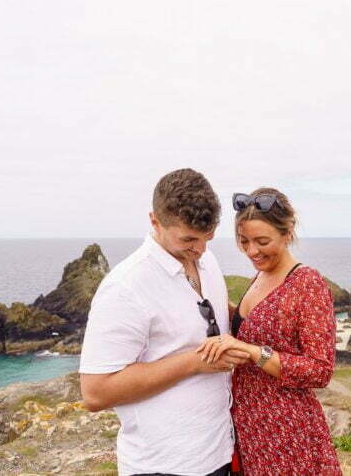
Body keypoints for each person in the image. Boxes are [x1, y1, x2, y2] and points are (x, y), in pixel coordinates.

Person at [79, 168, 249, 476]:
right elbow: (95, 392)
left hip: (219, 452)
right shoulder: (125, 287)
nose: (200, 249)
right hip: (163, 466)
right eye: (189, 239)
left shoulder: (205, 260)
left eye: (207, 238)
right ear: (155, 221)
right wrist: (196, 362)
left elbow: (210, 312)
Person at [197, 187, 342, 476]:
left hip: (289, 433)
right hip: (253, 429)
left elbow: (320, 370)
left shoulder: (306, 283)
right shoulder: (261, 275)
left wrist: (252, 353)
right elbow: (257, 325)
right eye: (244, 241)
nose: (252, 251)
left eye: (262, 241)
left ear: (287, 232)